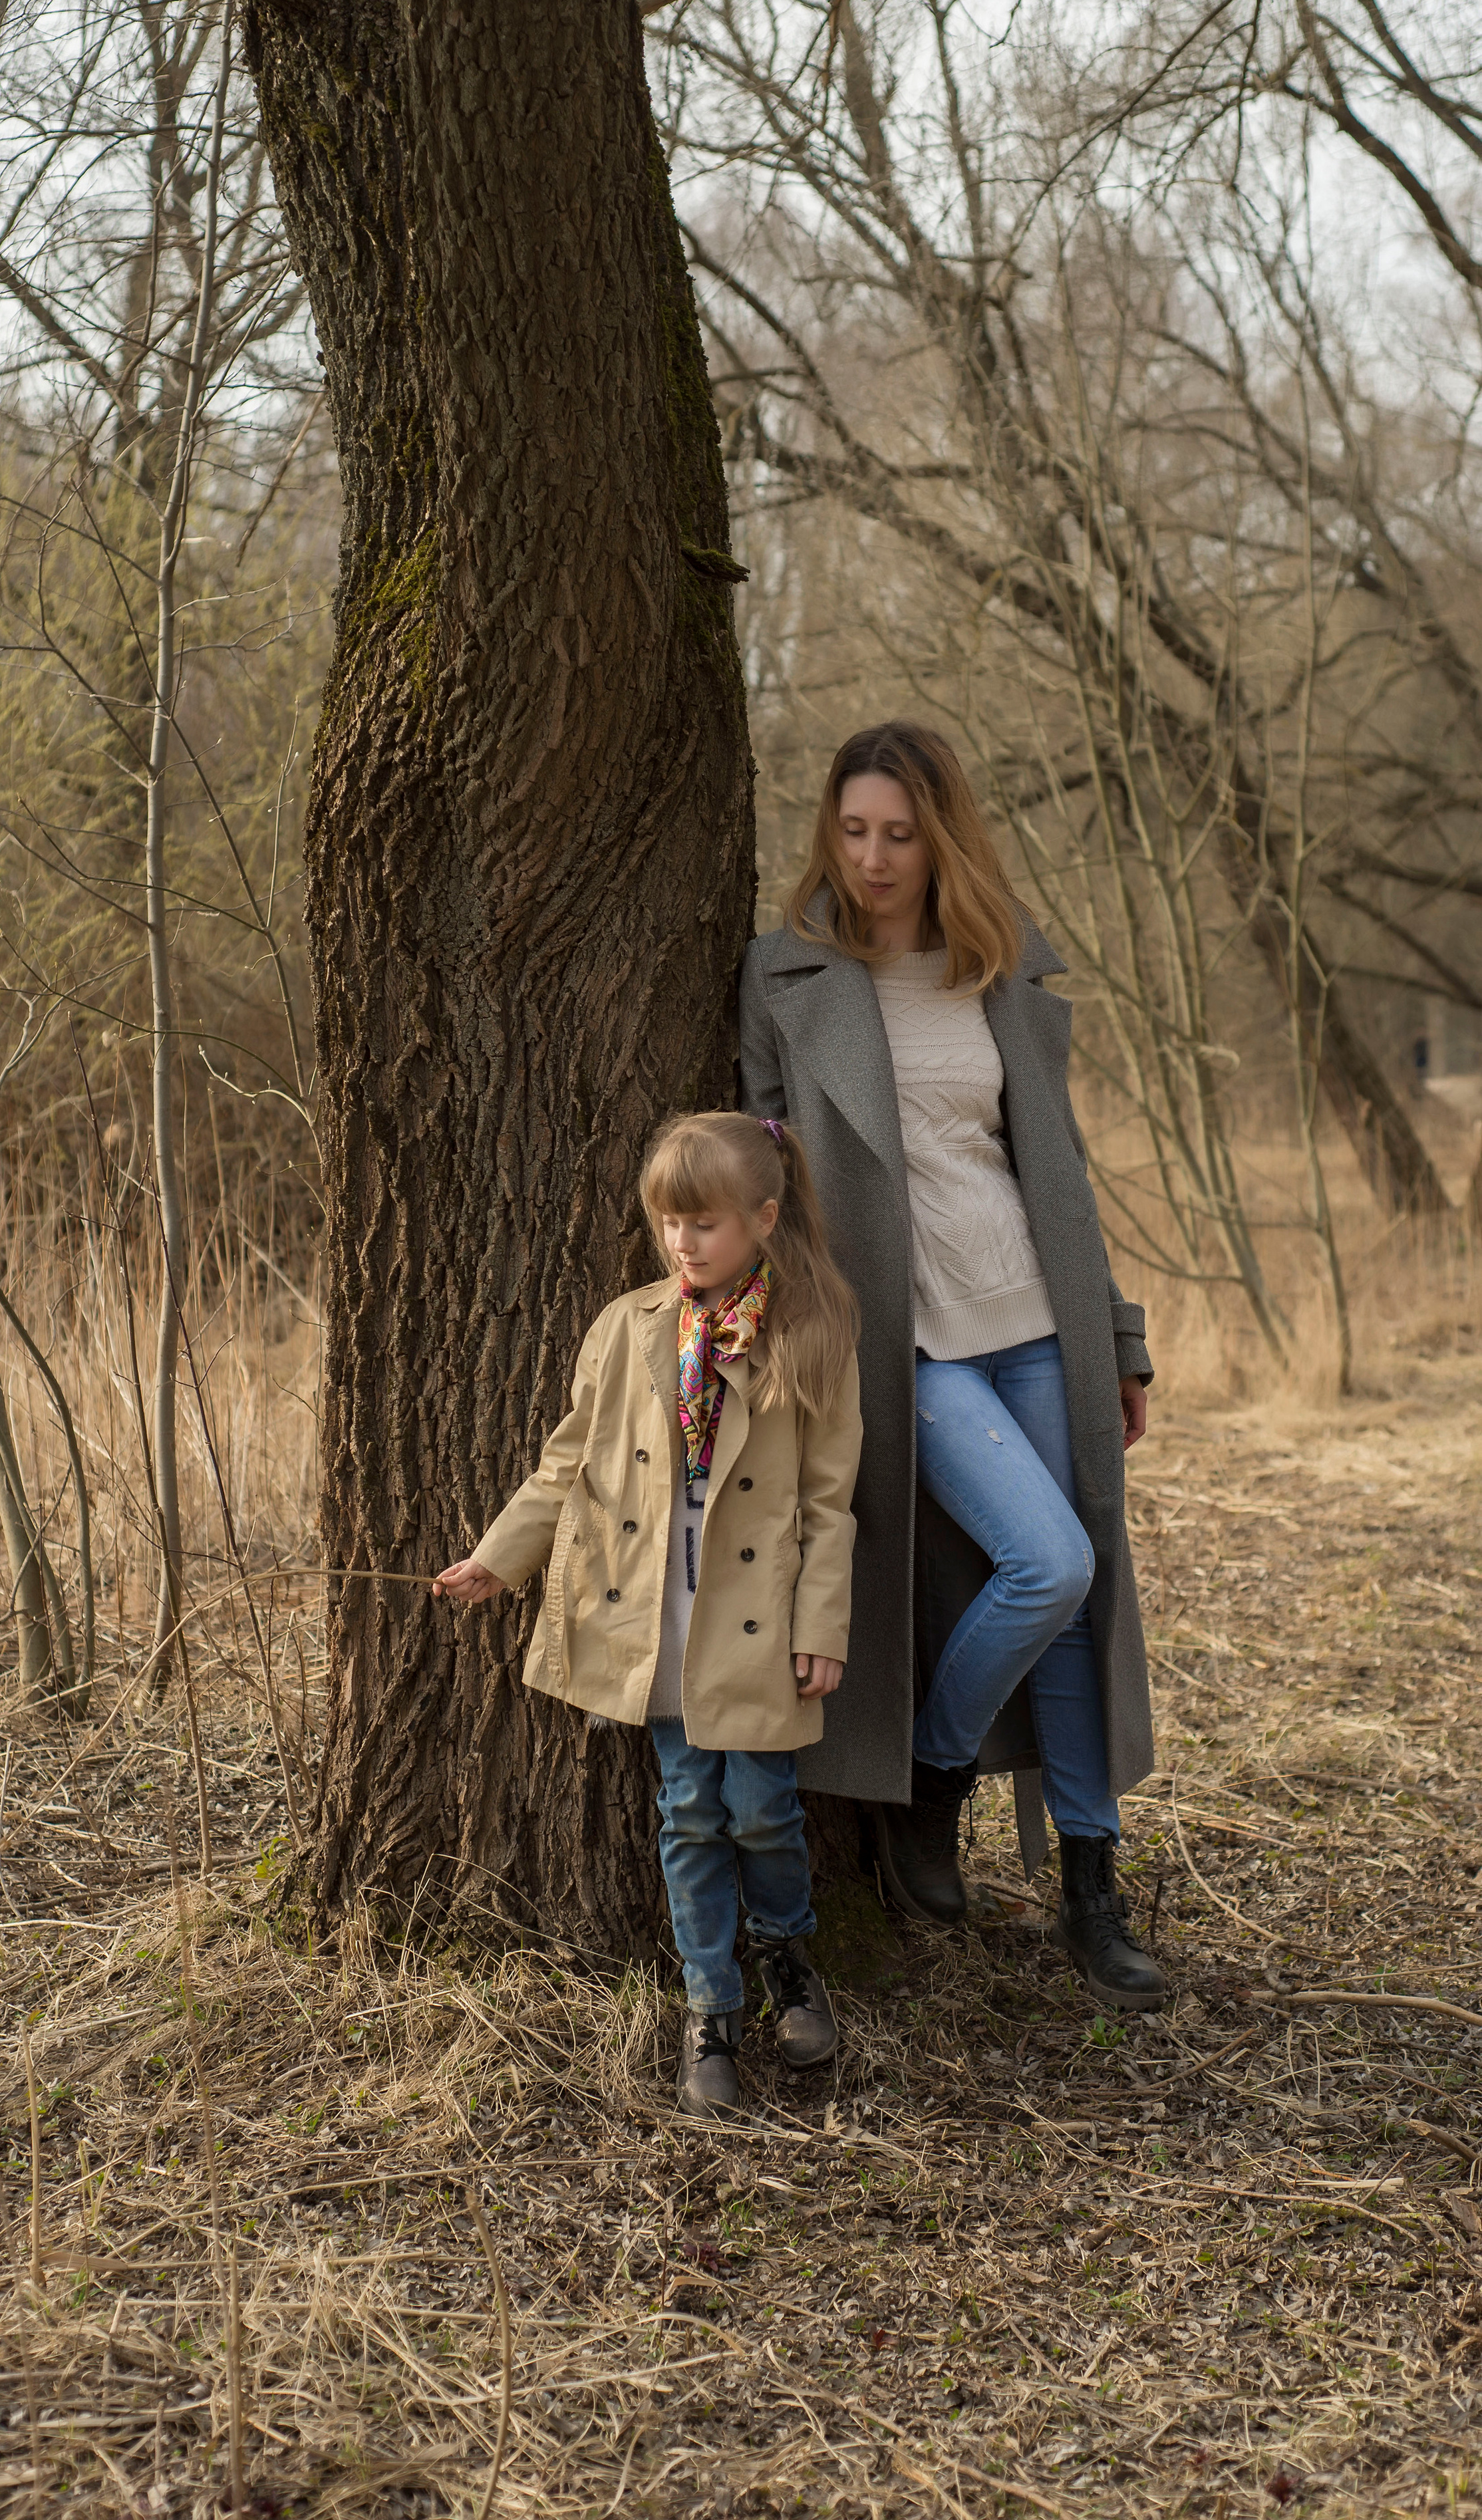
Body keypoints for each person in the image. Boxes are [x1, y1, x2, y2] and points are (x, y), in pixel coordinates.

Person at [738, 720, 1167, 2011]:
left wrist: (1120, 1340)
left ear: (941, 837)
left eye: (899, 833)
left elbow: (1061, 1176)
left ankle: (1089, 1888)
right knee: (1049, 1561)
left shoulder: (994, 971)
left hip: (1036, 1320)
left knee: (1073, 1613)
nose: (872, 858)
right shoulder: (787, 980)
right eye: (852, 830)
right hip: (904, 1340)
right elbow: (759, 1173)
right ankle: (930, 1773)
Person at [434, 1111, 863, 2117]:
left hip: (756, 1612)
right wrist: (504, 1555)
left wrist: (821, 1626)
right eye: (669, 1223)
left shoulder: (811, 1335)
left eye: (704, 1224)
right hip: (658, 1611)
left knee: (762, 1808)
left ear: (763, 1219)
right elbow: (569, 1459)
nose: (682, 1244)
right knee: (687, 1813)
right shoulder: (629, 1328)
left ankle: (789, 1960)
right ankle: (711, 2005)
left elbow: (831, 1499)